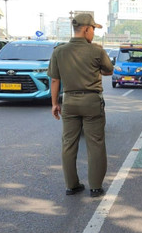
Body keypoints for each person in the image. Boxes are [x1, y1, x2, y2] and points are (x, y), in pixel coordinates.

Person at [48, 13, 114, 197]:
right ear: (86, 29)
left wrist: (54, 104)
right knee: (96, 143)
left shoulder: (59, 51)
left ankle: (71, 185)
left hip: (68, 101)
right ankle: (95, 187)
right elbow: (109, 70)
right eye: (93, 29)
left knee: (68, 144)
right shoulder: (96, 51)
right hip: (92, 102)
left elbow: (55, 80)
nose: (94, 33)